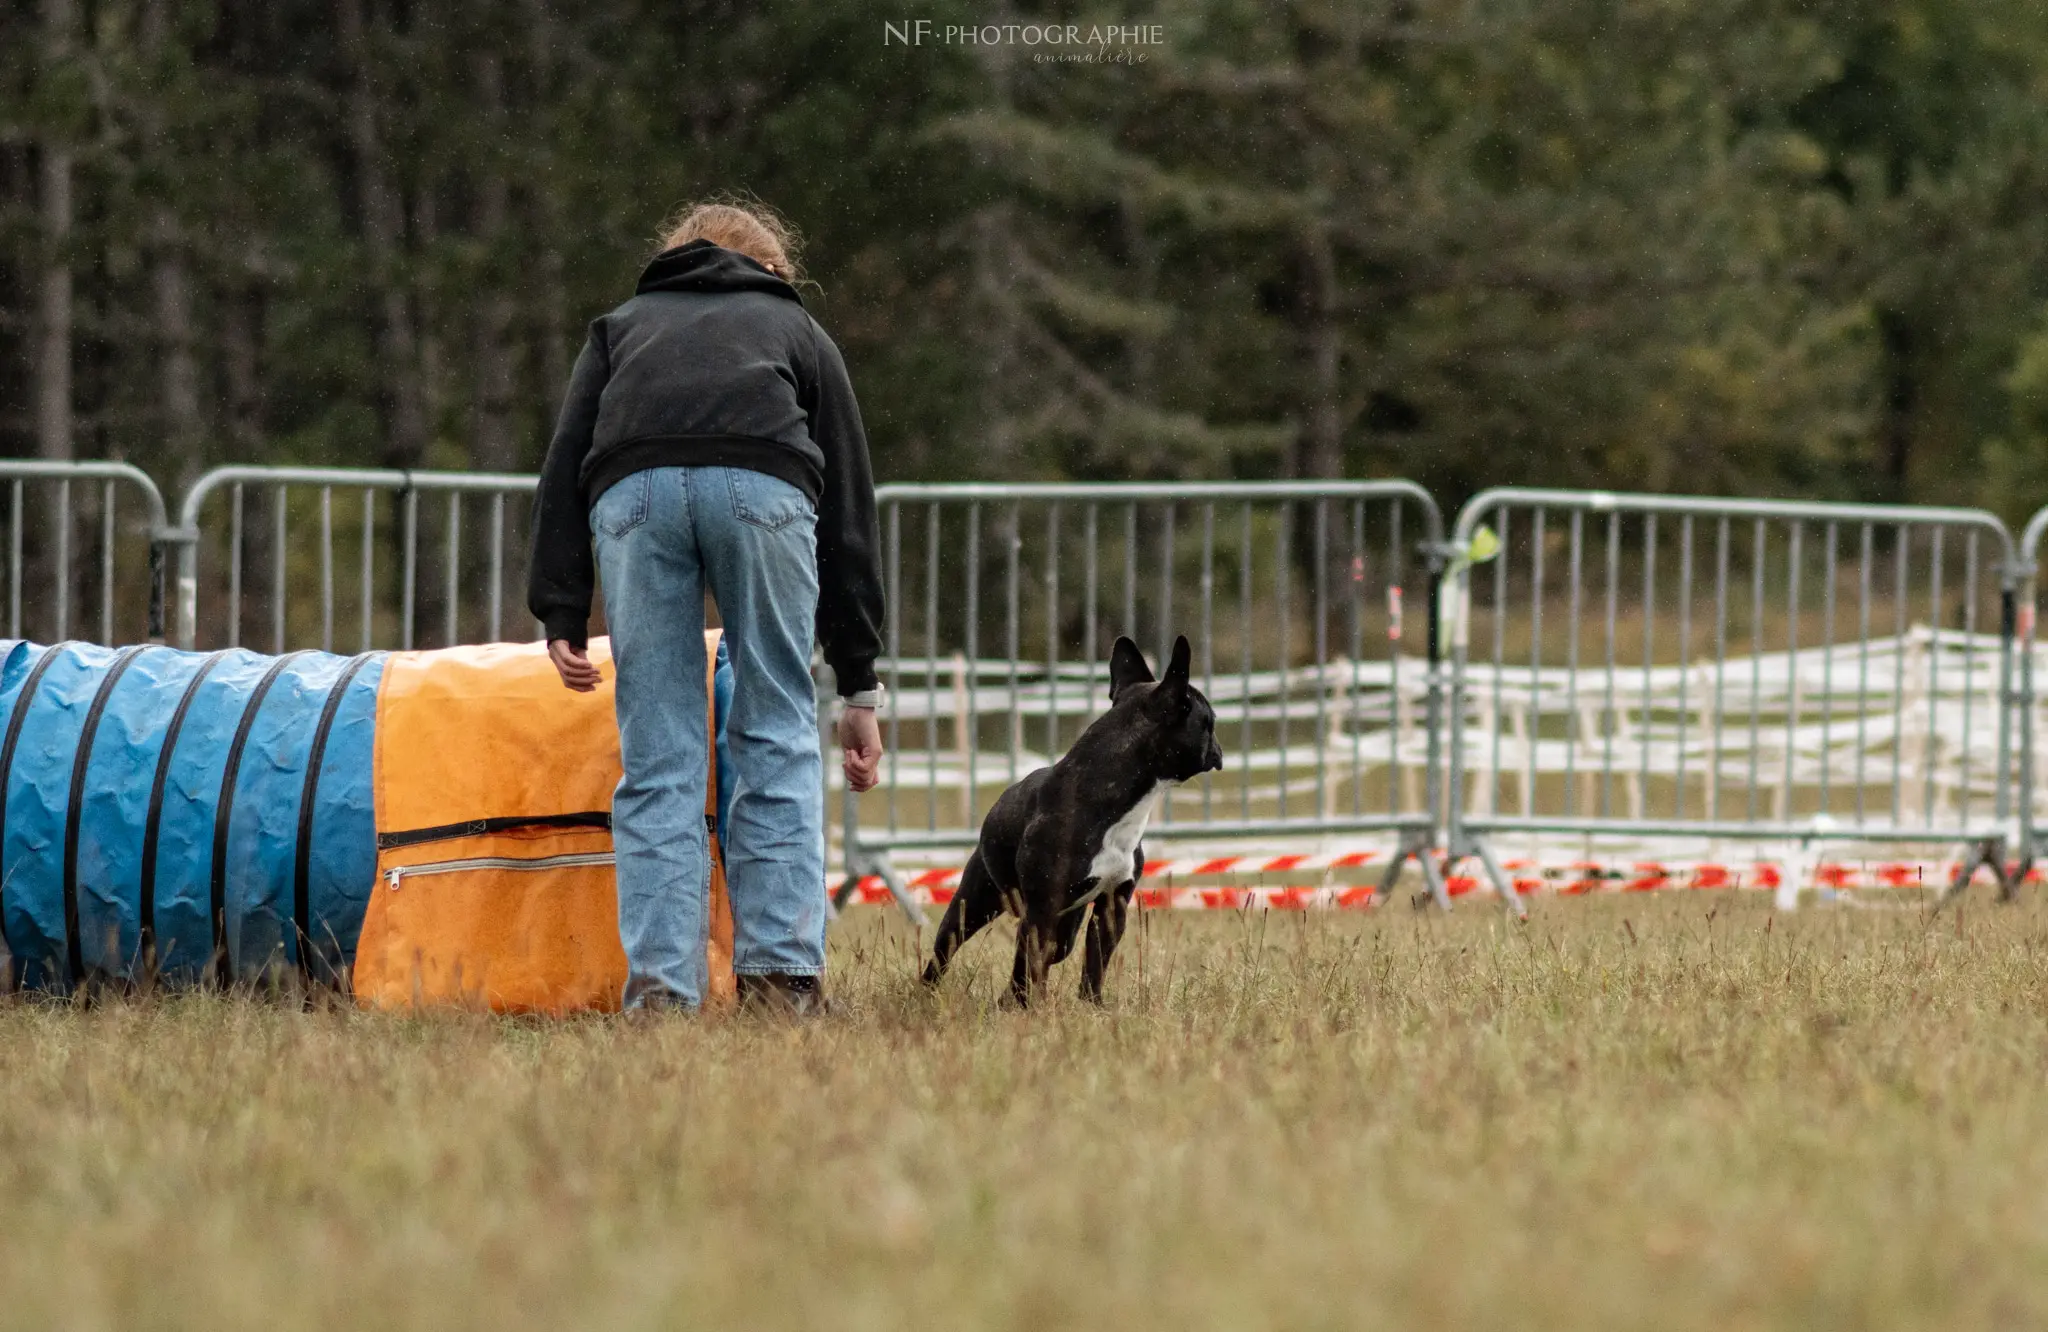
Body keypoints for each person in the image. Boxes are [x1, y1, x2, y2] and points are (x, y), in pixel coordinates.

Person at [527, 201, 885, 1015]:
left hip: (632, 493)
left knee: (659, 756)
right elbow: (850, 519)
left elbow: (564, 464)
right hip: (764, 487)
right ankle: (782, 983)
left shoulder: (620, 328)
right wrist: (859, 686)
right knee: (775, 731)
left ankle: (661, 995)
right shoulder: (797, 332)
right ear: (769, 265)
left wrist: (558, 605)